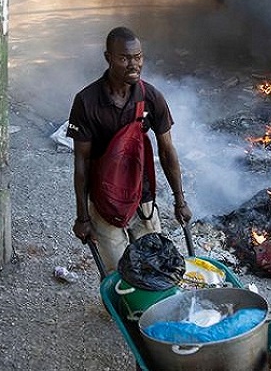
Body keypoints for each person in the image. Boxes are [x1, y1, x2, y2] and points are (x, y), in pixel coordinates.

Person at [67, 26, 192, 272]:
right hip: (105, 201)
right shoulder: (87, 101)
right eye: (124, 58)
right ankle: (124, 309)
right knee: (120, 270)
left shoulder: (151, 97)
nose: (133, 65)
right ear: (108, 58)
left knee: (154, 267)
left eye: (138, 57)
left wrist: (180, 201)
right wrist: (82, 217)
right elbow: (81, 162)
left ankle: (153, 311)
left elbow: (167, 151)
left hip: (142, 195)